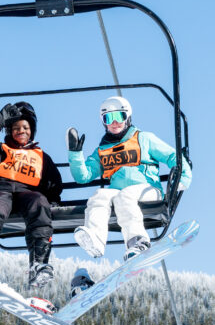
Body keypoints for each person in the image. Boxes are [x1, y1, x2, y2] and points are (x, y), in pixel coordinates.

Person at [66, 95, 191, 260]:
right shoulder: (102, 150)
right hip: (117, 192)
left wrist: (183, 178)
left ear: (128, 118)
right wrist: (75, 154)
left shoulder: (143, 139)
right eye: (108, 118)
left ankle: (138, 242)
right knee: (99, 196)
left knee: (125, 196)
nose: (115, 122)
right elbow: (83, 176)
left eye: (119, 116)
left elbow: (172, 156)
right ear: (104, 122)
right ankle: (95, 239)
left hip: (148, 189)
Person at [0, 101, 63, 287]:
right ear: (9, 130)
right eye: (16, 127)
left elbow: (53, 183)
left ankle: (39, 264)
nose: (21, 131)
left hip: (28, 194)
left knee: (40, 203)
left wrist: (53, 200)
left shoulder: (41, 157)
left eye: (26, 127)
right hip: (0, 189)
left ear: (32, 130)